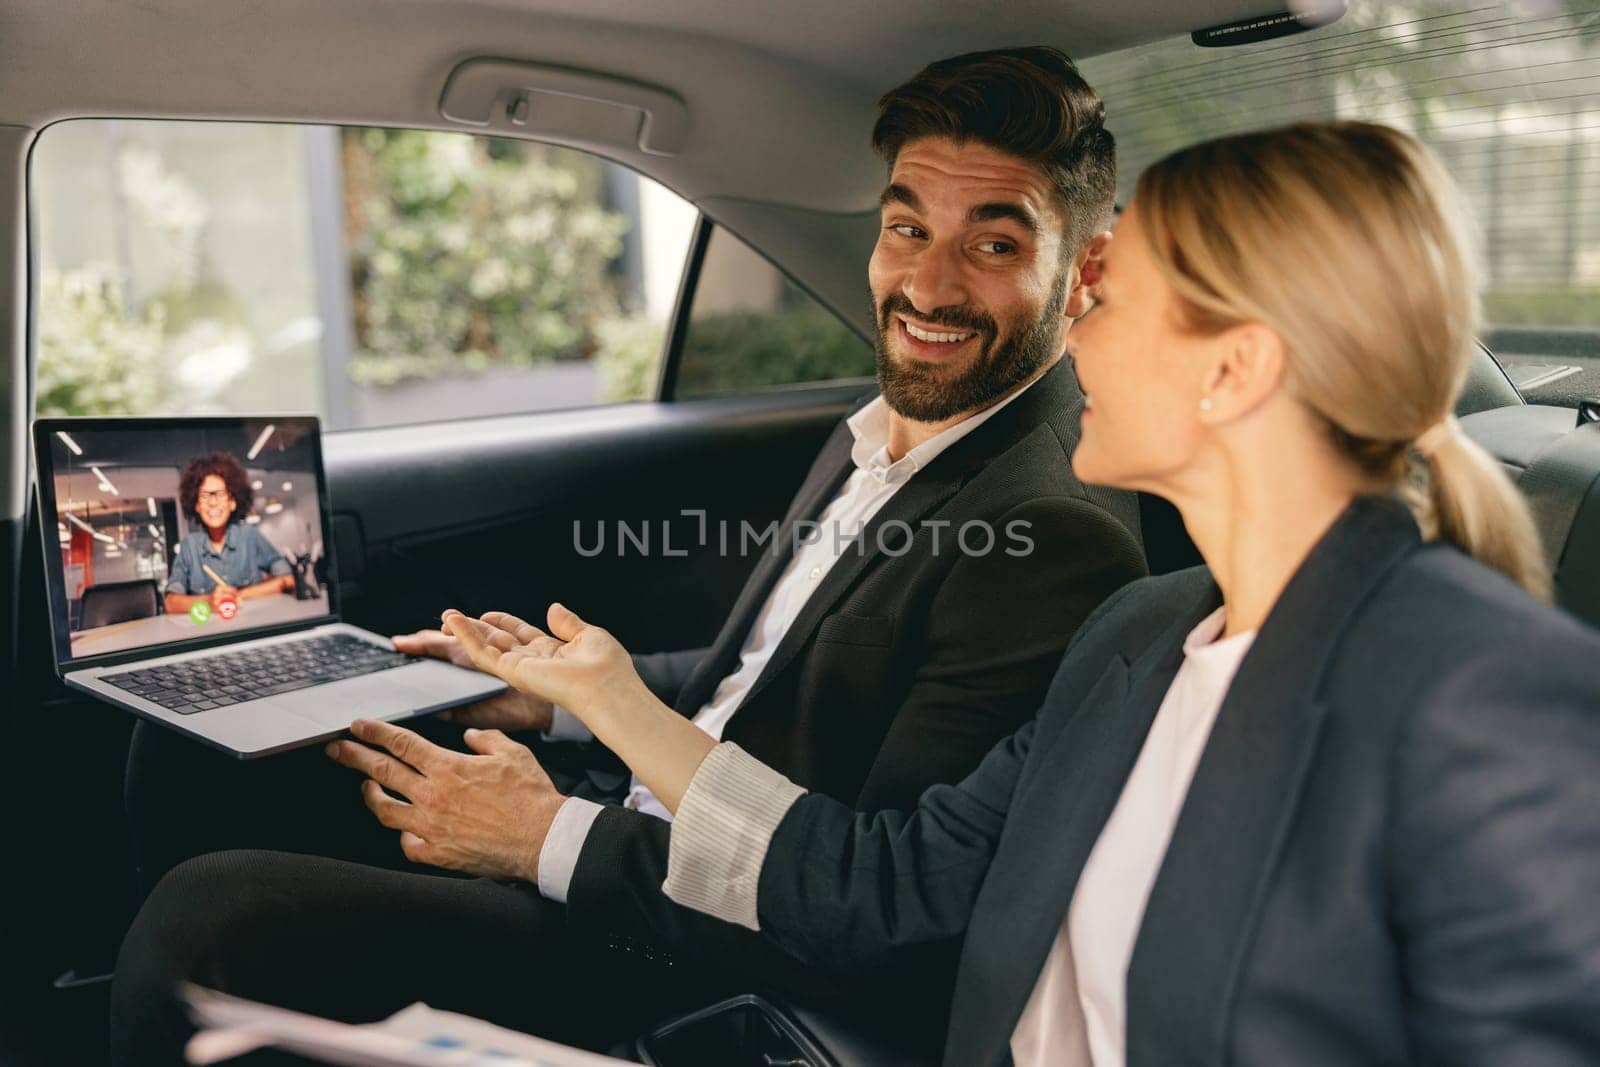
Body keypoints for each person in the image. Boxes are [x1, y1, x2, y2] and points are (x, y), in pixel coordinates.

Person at [429, 122, 1600, 1064]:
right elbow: (878, 884)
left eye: (1110, 300)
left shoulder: (1488, 698)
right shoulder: (1138, 635)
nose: (1073, 342)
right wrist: (604, 699)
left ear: (1232, 369)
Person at [111, 47, 1149, 1063]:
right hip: (627, 814)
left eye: (993, 246)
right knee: (212, 750)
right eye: (905, 227)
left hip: (688, 941)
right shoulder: (884, 432)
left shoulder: (1049, 535)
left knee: (210, 926)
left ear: (1082, 271)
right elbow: (760, 684)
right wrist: (548, 699)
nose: (925, 284)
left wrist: (545, 837)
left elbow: (878, 907)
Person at [162, 452, 294, 616]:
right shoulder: (190, 546)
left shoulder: (249, 536)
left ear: (233, 502)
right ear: (196, 505)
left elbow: (288, 579)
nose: (213, 502)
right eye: (204, 496)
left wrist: (240, 595)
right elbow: (170, 604)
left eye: (221, 494)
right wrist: (209, 602)